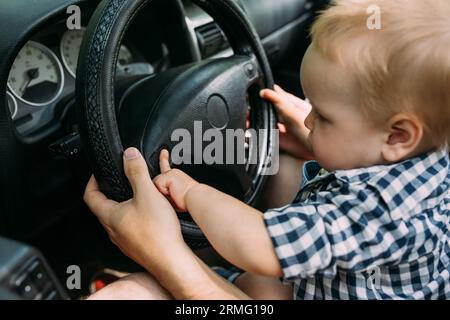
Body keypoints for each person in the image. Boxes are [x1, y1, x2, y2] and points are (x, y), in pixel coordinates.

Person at [85, 0, 450, 300]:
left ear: (398, 136)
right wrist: (317, 141)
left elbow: (260, 244)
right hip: (333, 286)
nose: (307, 121)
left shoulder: (376, 212)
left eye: (322, 117)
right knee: (263, 260)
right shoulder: (426, 158)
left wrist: (192, 192)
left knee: (131, 294)